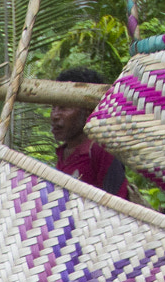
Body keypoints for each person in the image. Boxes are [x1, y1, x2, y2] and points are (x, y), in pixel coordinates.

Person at [49, 66, 128, 200]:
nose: (55, 115)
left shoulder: (101, 150)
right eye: (53, 107)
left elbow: (118, 204)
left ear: (87, 110)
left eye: (64, 107)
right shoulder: (64, 154)